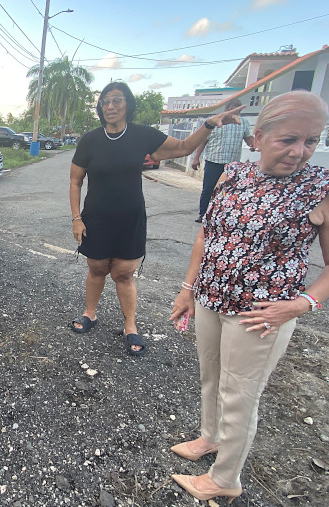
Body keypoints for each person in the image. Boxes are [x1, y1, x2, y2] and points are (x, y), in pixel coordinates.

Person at [169, 91, 329, 503]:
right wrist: (188, 289)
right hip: (211, 298)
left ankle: (225, 479)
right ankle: (211, 437)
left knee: (240, 394)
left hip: (261, 315)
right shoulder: (232, 175)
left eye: (310, 141)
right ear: (257, 137)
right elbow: (208, 234)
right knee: (211, 377)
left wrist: (301, 305)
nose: (299, 151)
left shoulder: (326, 188)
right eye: (288, 139)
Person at [69, 81, 244, 356]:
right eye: (105, 102)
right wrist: (76, 218)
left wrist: (209, 124)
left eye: (117, 100)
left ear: (128, 104)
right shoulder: (90, 140)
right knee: (96, 269)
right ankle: (89, 313)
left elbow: (184, 147)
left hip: (130, 219)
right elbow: (75, 180)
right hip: (96, 218)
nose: (110, 106)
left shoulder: (142, 136)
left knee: (124, 274)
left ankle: (130, 325)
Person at [191, 99, 255, 223]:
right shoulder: (215, 122)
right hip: (213, 161)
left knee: (229, 190)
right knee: (209, 189)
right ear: (227, 110)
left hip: (232, 164)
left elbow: (249, 140)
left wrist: (254, 145)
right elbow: (203, 141)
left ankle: (222, 214)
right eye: (234, 110)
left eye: (239, 111)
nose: (236, 113)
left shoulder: (243, 123)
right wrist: (196, 158)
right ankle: (203, 213)